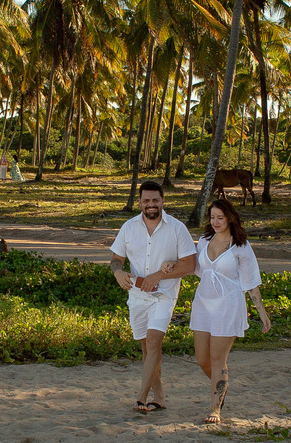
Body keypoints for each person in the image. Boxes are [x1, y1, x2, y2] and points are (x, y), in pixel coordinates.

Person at [163, 198, 271, 425]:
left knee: (217, 358)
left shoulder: (240, 246)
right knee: (202, 359)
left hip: (228, 304)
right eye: (212, 218)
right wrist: (171, 263)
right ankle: (221, 384)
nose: (216, 222)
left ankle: (215, 408)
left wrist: (262, 313)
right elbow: (191, 263)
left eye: (220, 218)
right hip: (204, 303)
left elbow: (251, 282)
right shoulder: (204, 240)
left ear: (230, 218)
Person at [109, 180, 196, 414]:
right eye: (146, 200)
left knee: (155, 342)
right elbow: (116, 259)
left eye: (155, 200)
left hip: (164, 296)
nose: (151, 204)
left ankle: (141, 397)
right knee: (148, 350)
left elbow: (189, 264)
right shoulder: (128, 227)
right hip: (136, 297)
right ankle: (159, 398)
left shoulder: (177, 228)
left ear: (163, 201)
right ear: (140, 202)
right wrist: (118, 272)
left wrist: (158, 276)